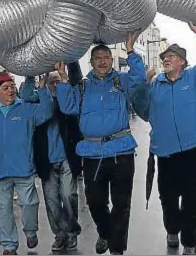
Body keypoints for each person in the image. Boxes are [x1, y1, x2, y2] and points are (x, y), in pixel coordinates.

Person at [130, 23, 196, 255]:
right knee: (168, 197)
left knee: (192, 198)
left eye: (171, 56)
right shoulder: (156, 85)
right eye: (165, 57)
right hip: (165, 151)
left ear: (182, 61)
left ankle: (189, 242)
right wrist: (141, 79)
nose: (166, 60)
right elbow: (142, 109)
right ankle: (172, 229)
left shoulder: (195, 78)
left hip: (192, 150)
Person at [53, 32, 143, 255]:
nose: (102, 61)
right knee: (95, 202)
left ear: (112, 60)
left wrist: (131, 51)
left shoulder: (121, 81)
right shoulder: (83, 87)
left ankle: (116, 249)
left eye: (106, 58)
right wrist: (64, 80)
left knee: (122, 204)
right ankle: (105, 232)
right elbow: (67, 107)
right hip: (93, 154)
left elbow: (139, 78)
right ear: (91, 62)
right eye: (98, 58)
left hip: (121, 151)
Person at [0, 71, 54, 255]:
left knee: (29, 204)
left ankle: (30, 231)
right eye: (6, 88)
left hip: (23, 168)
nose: (11, 91)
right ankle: (8, 245)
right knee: (3, 210)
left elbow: (46, 112)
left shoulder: (26, 108)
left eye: (13, 87)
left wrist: (43, 88)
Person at [20, 62, 83, 252]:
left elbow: (75, 80)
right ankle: (60, 235)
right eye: (50, 82)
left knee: (68, 194)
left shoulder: (69, 100)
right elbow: (25, 94)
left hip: (67, 159)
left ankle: (71, 233)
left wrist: (69, 64)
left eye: (56, 81)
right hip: (47, 161)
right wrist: (31, 74)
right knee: (52, 201)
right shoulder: (37, 103)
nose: (54, 85)